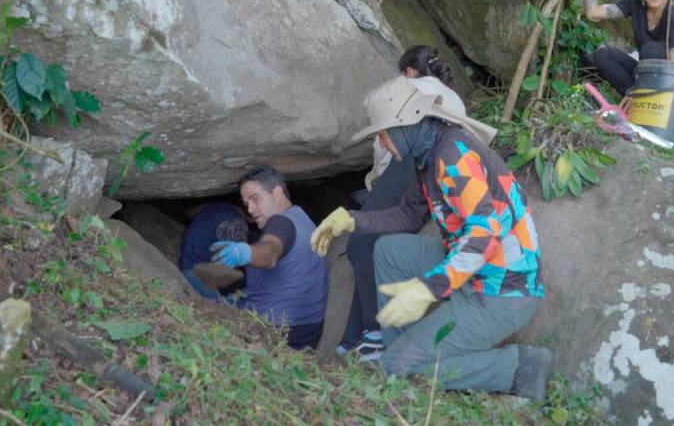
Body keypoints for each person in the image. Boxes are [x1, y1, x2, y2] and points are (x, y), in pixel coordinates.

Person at [312, 77, 552, 400]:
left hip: (502, 290)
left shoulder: (453, 158)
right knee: (387, 251)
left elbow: (485, 235)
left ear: (405, 125)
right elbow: (407, 216)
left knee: (396, 367)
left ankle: (517, 367)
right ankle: (404, 349)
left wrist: (428, 290)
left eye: (383, 133)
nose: (382, 143)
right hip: (479, 271)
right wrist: (351, 220)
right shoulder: (429, 155)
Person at [339, 45, 474, 360]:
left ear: (410, 73)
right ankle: (357, 336)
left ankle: (370, 335)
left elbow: (389, 154)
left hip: (403, 170)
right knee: (373, 246)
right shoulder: (452, 102)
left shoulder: (411, 103)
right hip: (425, 174)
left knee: (361, 245)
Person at [211, 165, 328, 350]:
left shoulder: (280, 222)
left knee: (193, 282)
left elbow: (270, 250)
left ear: (278, 193)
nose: (249, 209)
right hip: (308, 327)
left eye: (255, 199)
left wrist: (245, 253)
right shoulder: (302, 218)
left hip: (275, 327)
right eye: (246, 203)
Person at [179, 202, 252, 300]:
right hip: (199, 276)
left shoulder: (215, 207)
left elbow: (189, 212)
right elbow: (235, 257)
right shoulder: (236, 220)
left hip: (187, 265)